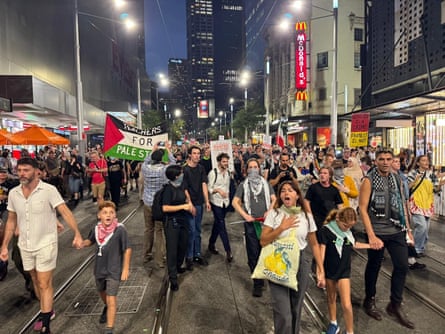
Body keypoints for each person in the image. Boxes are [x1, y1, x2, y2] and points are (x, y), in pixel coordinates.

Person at [0, 157, 83, 334]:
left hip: (46, 243)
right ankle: (48, 309)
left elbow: (64, 211)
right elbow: (11, 221)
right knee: (36, 280)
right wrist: (4, 246)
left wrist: (76, 233)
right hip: (25, 245)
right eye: (19, 170)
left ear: (37, 171)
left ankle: (45, 323)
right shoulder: (14, 193)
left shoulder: (49, 190)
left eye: (26, 170)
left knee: (45, 283)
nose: (21, 173)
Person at [359, 149, 415, 329]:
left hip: (396, 229)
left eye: (388, 159)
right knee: (374, 266)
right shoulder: (368, 181)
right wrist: (371, 235)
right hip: (377, 231)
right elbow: (362, 208)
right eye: (381, 159)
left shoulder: (397, 178)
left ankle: (395, 304)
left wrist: (408, 229)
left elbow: (402, 203)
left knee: (402, 266)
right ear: (375, 162)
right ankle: (369, 299)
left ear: (393, 161)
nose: (385, 162)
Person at [260, 181, 325, 334]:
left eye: (290, 190)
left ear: (297, 195)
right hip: (278, 262)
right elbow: (263, 240)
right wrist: (282, 227)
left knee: (296, 308)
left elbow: (314, 244)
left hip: (301, 262)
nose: (286, 193)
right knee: (283, 313)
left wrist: (320, 269)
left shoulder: (306, 216)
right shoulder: (274, 214)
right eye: (283, 191)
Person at [82, 201, 132, 334]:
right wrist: (82, 243)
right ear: (99, 215)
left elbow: (127, 248)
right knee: (102, 292)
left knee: (111, 298)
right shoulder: (96, 229)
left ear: (115, 214)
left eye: (111, 212)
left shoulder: (120, 229)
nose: (108, 215)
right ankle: (106, 306)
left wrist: (126, 268)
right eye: (104, 213)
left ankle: (109, 328)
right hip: (99, 269)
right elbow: (90, 240)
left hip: (114, 270)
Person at [320, 208, 370, 334]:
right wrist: (320, 272)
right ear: (338, 219)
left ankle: (350, 331)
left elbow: (354, 244)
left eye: (350, 226)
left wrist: (371, 245)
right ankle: (333, 323)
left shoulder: (348, 232)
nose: (347, 228)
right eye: (345, 225)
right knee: (331, 298)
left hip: (343, 271)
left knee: (346, 304)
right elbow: (321, 253)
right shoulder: (326, 230)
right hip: (330, 270)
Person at [232, 158, 276, 297]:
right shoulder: (243, 185)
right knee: (253, 254)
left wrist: (269, 210)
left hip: (267, 224)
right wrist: (245, 215)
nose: (253, 169)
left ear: (259, 168)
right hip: (252, 225)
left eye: (255, 167)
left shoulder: (266, 184)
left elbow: (274, 199)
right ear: (247, 169)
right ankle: (257, 283)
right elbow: (235, 202)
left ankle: (268, 275)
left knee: (267, 253)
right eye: (250, 167)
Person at [141, 144, 175, 267]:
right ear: (161, 158)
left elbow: (146, 160)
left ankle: (146, 255)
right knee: (159, 230)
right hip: (159, 204)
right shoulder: (164, 170)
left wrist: (152, 150)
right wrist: (168, 149)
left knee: (148, 229)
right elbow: (173, 162)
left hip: (147, 202)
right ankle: (159, 260)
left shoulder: (145, 168)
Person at [162, 165, 193, 291]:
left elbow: (185, 196)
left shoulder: (180, 186)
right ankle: (173, 278)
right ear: (175, 176)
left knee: (183, 245)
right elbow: (165, 208)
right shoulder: (168, 190)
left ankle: (179, 265)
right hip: (172, 223)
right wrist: (182, 207)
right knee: (172, 250)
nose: (182, 175)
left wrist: (189, 203)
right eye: (180, 173)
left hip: (183, 220)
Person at [391, 155, 425, 270]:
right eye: (394, 161)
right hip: (393, 210)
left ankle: (410, 259)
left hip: (403, 207)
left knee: (405, 234)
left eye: (398, 161)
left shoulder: (401, 176)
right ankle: (408, 259)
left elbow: (406, 193)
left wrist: (406, 207)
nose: (398, 163)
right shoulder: (389, 177)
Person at [407, 155, 445, 257]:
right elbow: (407, 187)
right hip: (416, 204)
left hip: (427, 205)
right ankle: (415, 249)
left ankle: (420, 248)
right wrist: (415, 180)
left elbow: (435, 189)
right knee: (422, 227)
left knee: (425, 229)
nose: (426, 162)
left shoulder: (431, 175)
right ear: (418, 163)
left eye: (427, 160)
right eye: (423, 160)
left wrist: (440, 184)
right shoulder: (413, 173)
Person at [183, 145, 211, 270]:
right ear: (189, 154)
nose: (197, 155)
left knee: (198, 230)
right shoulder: (184, 169)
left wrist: (207, 200)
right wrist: (189, 203)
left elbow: (203, 184)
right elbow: (184, 188)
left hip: (199, 203)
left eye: (198, 153)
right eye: (194, 153)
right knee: (191, 230)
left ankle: (197, 254)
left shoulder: (201, 168)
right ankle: (188, 256)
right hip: (189, 204)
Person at [207, 153, 233, 262]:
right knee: (222, 225)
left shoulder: (228, 173)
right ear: (219, 162)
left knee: (218, 223)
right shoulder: (213, 173)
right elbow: (209, 188)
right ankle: (228, 251)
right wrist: (218, 190)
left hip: (225, 203)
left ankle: (211, 244)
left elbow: (228, 186)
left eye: (227, 161)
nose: (226, 164)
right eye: (224, 161)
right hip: (216, 202)